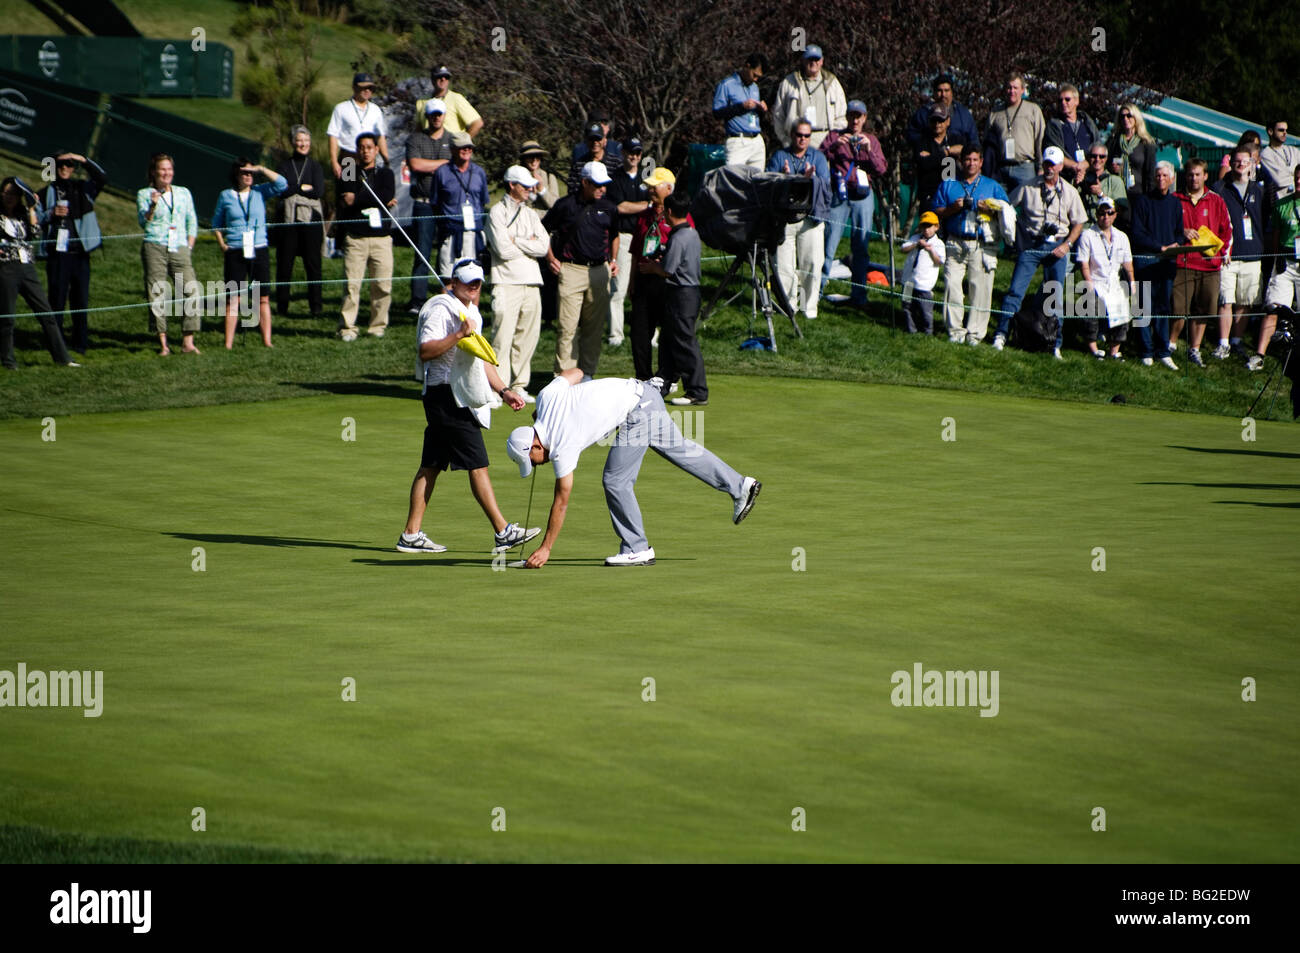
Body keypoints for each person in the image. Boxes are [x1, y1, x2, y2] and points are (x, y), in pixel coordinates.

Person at [504, 370, 761, 568]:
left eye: (533, 461)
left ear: (535, 446)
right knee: (681, 450)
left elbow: (562, 500)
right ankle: (741, 486)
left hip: (637, 410)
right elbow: (577, 372)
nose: (539, 464)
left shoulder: (561, 444)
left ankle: (636, 548)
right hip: (644, 393)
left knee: (616, 481)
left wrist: (547, 548)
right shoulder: (546, 398)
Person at [397, 259, 538, 555]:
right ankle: (503, 531)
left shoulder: (471, 311)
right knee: (477, 463)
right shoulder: (440, 309)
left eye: (478, 283)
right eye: (468, 282)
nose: (474, 287)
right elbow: (425, 351)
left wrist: (503, 390)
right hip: (445, 396)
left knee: (431, 465)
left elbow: (480, 359)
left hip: (457, 394)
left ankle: (410, 535)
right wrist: (458, 334)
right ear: (454, 282)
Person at [992, 146, 1086, 358]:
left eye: (1053, 164)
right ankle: (1001, 334)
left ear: (1061, 167)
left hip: (1057, 247)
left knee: (1055, 296)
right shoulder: (1028, 186)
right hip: (1031, 246)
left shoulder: (1070, 192)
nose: (1049, 168)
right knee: (1015, 291)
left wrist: (1068, 244)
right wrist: (1014, 233)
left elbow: (1079, 222)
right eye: (1046, 164)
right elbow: (1007, 205)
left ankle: (1055, 344)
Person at [542, 161, 620, 377]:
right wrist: (550, 258)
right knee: (567, 329)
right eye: (597, 185)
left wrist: (613, 259)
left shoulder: (609, 207)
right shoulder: (565, 205)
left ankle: (586, 375)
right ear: (584, 182)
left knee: (593, 330)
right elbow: (543, 230)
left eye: (604, 185)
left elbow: (614, 235)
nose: (602, 189)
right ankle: (564, 378)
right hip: (571, 270)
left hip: (599, 271)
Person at [932, 145, 1010, 345]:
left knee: (980, 288)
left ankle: (975, 334)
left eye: (975, 160)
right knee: (952, 285)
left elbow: (1008, 212)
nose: (971, 163)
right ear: (961, 161)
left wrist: (990, 208)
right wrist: (952, 208)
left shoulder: (991, 186)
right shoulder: (949, 184)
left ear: (981, 162)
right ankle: (955, 332)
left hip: (981, 243)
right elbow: (936, 211)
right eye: (967, 159)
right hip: (955, 241)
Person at [486, 165, 549, 401]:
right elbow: (502, 250)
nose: (529, 190)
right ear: (511, 185)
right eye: (524, 186)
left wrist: (517, 240)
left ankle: (520, 385)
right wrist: (527, 243)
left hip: (532, 281)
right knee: (502, 337)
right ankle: (497, 388)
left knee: (527, 336)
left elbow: (543, 247)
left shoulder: (531, 214)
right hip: (505, 282)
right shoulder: (496, 213)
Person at [1, 176, 78, 369]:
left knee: (46, 313)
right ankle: (9, 361)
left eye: (14, 194)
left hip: (27, 267)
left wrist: (32, 208)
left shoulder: (22, 214)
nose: (10, 197)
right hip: (6, 269)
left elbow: (35, 232)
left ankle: (63, 358)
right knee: (7, 317)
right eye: (6, 193)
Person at [638, 190, 707, 405]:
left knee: (684, 342)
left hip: (681, 294)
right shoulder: (692, 233)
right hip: (690, 292)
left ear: (668, 211)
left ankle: (697, 391)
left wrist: (651, 267)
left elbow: (667, 270)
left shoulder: (678, 237)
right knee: (669, 341)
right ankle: (662, 385)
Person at [212, 158, 286, 349]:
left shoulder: (259, 193)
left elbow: (282, 184)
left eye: (250, 173)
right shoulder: (226, 196)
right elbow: (216, 223)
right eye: (244, 172)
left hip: (258, 248)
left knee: (262, 297)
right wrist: (222, 244)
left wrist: (261, 168)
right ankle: (228, 343)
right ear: (236, 175)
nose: (248, 176)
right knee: (233, 297)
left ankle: (267, 341)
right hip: (235, 250)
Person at [820, 100, 886, 303]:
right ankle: (816, 291)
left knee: (861, 246)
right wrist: (833, 147)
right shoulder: (835, 136)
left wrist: (869, 151)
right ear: (847, 117)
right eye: (852, 115)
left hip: (863, 198)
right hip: (839, 196)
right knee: (828, 245)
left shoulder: (872, 140)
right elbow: (816, 157)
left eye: (859, 116)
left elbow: (881, 169)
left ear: (865, 118)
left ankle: (859, 294)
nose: (855, 120)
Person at [39, 151, 105, 355]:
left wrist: (82, 160)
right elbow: (35, 218)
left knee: (80, 299)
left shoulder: (83, 189)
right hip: (58, 253)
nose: (65, 168)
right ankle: (55, 342)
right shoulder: (46, 192)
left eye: (69, 165)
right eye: (61, 165)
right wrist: (51, 214)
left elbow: (102, 177)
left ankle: (80, 343)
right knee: (57, 299)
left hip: (80, 251)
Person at [768, 119, 831, 320]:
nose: (802, 139)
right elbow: (768, 182)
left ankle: (809, 307)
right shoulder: (780, 156)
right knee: (785, 268)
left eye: (806, 136)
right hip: (785, 220)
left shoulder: (818, 158)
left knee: (811, 264)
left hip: (810, 219)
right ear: (791, 135)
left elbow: (826, 186)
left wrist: (810, 179)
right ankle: (788, 306)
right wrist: (783, 176)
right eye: (799, 135)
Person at [138, 152, 200, 355]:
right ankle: (163, 343)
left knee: (191, 290)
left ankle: (188, 341)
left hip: (180, 247)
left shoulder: (183, 192)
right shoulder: (144, 194)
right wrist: (153, 205)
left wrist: (189, 246)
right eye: (163, 169)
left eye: (169, 169)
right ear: (154, 172)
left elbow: (192, 221)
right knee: (157, 292)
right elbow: (143, 221)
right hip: (154, 246)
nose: (167, 173)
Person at [1171, 158, 1232, 366]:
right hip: (1184, 262)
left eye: (1198, 174)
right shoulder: (1175, 198)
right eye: (1190, 174)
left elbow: (1227, 231)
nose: (1194, 178)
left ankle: (1194, 349)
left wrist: (1222, 253)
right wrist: (1181, 231)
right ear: (1185, 176)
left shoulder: (1216, 200)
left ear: (1205, 176)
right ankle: (1171, 344)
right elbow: (1166, 229)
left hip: (1209, 265)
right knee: (1179, 309)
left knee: (1204, 310)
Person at [336, 132, 396, 341]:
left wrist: (360, 198)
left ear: (377, 150)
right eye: (362, 147)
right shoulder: (350, 170)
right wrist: (377, 199)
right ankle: (347, 327)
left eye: (370, 147)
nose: (366, 151)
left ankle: (377, 325)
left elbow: (385, 195)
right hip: (356, 237)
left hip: (381, 238)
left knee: (382, 284)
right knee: (352, 284)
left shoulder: (385, 173)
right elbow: (346, 197)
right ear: (357, 150)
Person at [1211, 148, 1266, 360]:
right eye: (1237, 161)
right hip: (1228, 255)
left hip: (1253, 254)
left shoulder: (1259, 190)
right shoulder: (1221, 188)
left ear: (1252, 164)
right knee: (1226, 300)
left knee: (1246, 301)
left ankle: (1237, 341)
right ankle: (1223, 343)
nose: (1241, 165)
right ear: (1230, 163)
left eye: (1245, 162)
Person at [1129, 160, 1182, 369]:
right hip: (1146, 262)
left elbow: (1179, 231)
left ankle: (1162, 350)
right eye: (1157, 175)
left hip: (1166, 263)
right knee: (1143, 307)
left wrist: (1176, 244)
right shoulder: (1143, 201)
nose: (1160, 179)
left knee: (1163, 307)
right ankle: (1145, 350)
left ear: (1171, 179)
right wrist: (1159, 247)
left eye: (1164, 176)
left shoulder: (1175, 203)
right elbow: (1137, 233)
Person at [628, 168, 678, 380]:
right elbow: (635, 252)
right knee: (639, 334)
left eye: (655, 185)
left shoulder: (679, 215)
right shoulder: (643, 217)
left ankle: (665, 378)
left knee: (668, 335)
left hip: (666, 282)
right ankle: (643, 379)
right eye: (649, 186)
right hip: (642, 281)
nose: (650, 189)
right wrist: (631, 282)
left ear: (668, 189)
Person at [404, 99, 453, 311]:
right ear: (427, 116)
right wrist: (443, 165)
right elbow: (415, 164)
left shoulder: (452, 139)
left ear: (444, 115)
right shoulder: (415, 139)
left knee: (448, 252)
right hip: (423, 203)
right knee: (421, 252)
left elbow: (457, 167)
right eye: (433, 114)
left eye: (439, 114)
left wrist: (430, 167)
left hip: (446, 205)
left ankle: (449, 296)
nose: (436, 118)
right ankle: (417, 300)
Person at [273, 126, 325, 318]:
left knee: (313, 265)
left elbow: (318, 191)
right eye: (299, 140)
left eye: (306, 141)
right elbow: (281, 190)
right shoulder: (284, 166)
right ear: (293, 142)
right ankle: (282, 306)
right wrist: (302, 187)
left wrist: (294, 189)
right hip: (288, 221)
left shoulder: (315, 166)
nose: (303, 144)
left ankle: (316, 307)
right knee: (284, 264)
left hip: (311, 221)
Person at [1075, 196, 1135, 360]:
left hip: (1114, 284)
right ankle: (1094, 349)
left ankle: (1114, 351)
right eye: (1102, 213)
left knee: (1123, 311)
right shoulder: (1088, 235)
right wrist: (1089, 284)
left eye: (1110, 213)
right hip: (1096, 281)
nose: (1106, 217)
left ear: (1115, 215)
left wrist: (1132, 283)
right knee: (1091, 310)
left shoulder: (1122, 237)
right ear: (1097, 214)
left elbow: (1128, 264)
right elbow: (1084, 263)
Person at [1254, 164, 1300, 371]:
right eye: (1297, 178)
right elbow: (1275, 235)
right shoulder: (1283, 204)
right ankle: (1259, 354)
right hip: (1285, 260)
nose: (1299, 182)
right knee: (1273, 306)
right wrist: (1277, 257)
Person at [605, 138, 649, 349]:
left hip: (645, 237)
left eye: (638, 153)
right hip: (623, 237)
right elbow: (621, 207)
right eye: (631, 152)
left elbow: (653, 204)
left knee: (645, 289)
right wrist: (646, 205)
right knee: (618, 289)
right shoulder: (615, 179)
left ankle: (650, 334)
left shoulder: (646, 177)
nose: (634, 157)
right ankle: (616, 335)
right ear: (623, 153)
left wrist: (641, 206)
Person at [432, 132, 490, 280]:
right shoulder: (442, 172)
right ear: (452, 149)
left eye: (469, 147)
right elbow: (436, 203)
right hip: (451, 232)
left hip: (474, 231)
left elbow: (483, 201)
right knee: (449, 278)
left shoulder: (479, 172)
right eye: (462, 147)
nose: (466, 150)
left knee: (474, 277)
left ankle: (472, 305)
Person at [772, 45, 847, 150]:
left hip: (825, 141)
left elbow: (841, 115)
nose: (813, 63)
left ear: (822, 61)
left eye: (816, 59)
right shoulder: (789, 82)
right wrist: (785, 140)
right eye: (810, 59)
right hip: (797, 141)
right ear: (803, 60)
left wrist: (833, 139)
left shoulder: (832, 83)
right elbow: (778, 115)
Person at [985, 74, 1046, 190]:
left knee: (1028, 206)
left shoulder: (1033, 110)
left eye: (1015, 88)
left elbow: (1040, 140)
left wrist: (1041, 167)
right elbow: (987, 143)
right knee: (999, 206)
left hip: (1025, 167)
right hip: (1001, 169)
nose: (1012, 91)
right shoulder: (995, 112)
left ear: (1022, 90)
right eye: (1009, 87)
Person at [909, 104, 964, 232]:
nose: (937, 124)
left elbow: (965, 151)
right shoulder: (922, 142)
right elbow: (924, 163)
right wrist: (946, 153)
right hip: (930, 197)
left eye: (941, 120)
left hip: (951, 197)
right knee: (930, 235)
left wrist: (934, 156)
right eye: (934, 120)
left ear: (948, 121)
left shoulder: (955, 138)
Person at [326, 73, 388, 180]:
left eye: (370, 88)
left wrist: (386, 158)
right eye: (363, 87)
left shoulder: (376, 110)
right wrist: (334, 161)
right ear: (354, 87)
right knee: (347, 192)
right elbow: (333, 135)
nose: (367, 90)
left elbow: (380, 136)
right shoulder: (341, 108)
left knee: (368, 190)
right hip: (349, 157)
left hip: (369, 157)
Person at [713, 53, 768, 170]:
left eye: (759, 77)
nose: (756, 79)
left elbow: (755, 116)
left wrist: (762, 110)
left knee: (757, 183)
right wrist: (741, 107)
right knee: (734, 181)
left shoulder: (754, 87)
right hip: (738, 141)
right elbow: (717, 113)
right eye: (754, 75)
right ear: (747, 66)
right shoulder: (726, 85)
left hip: (756, 140)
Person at [904, 74, 979, 156]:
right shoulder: (923, 114)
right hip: (931, 161)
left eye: (946, 90)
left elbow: (974, 143)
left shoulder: (964, 114)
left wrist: (962, 149)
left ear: (952, 92)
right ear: (934, 93)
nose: (943, 95)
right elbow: (911, 136)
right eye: (939, 91)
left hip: (958, 162)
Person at [1044, 84, 1100, 186]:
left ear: (1076, 101)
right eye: (1060, 100)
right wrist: (1076, 166)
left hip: (1089, 173)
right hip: (1066, 177)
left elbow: (1098, 145)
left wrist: (1086, 164)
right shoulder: (1054, 125)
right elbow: (1053, 151)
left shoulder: (1087, 122)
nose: (1063, 103)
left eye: (1067, 99)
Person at [899, 211, 945, 334]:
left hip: (924, 284)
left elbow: (939, 261)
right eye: (924, 226)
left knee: (925, 310)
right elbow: (903, 248)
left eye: (929, 226)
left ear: (936, 227)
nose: (926, 229)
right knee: (907, 306)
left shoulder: (938, 243)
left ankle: (927, 331)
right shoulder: (915, 238)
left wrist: (930, 250)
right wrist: (915, 245)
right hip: (908, 281)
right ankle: (910, 329)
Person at [1105, 103, 1157, 206]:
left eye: (1129, 115)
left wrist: (1150, 199)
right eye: (1122, 116)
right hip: (1117, 192)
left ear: (1136, 118)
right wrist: (1113, 169)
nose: (1125, 118)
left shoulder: (1146, 143)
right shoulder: (1114, 141)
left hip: (1138, 194)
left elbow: (1150, 174)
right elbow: (1104, 164)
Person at [414, 66, 483, 138]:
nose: (443, 79)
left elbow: (477, 123)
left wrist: (463, 143)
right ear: (432, 79)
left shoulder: (456, 98)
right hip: (429, 147)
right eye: (439, 76)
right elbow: (418, 128)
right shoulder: (422, 101)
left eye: (446, 77)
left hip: (450, 147)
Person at [1079, 143, 1129, 227]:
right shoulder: (1081, 179)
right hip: (1084, 228)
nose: (1097, 159)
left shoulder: (1115, 181)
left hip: (1106, 228)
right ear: (1088, 158)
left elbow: (1120, 210)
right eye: (1093, 156)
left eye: (1101, 156)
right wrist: (1076, 186)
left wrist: (1101, 194)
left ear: (1106, 158)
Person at [567, 122, 616, 196]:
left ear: (604, 140)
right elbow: (572, 190)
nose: (595, 142)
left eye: (598, 139)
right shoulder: (579, 164)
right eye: (591, 139)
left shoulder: (615, 163)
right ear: (586, 141)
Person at [520, 140, 562, 212]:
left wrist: (542, 189)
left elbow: (556, 205)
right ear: (524, 159)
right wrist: (531, 195)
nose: (534, 160)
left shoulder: (549, 177)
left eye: (537, 156)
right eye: (530, 157)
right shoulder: (518, 178)